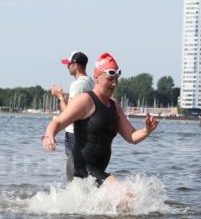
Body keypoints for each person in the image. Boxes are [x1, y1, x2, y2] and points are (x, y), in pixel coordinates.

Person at [42, 52, 158, 185]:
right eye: (110, 79)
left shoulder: (115, 106)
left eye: (116, 79)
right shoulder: (85, 100)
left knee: (119, 201)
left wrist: (147, 130)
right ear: (97, 77)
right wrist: (49, 135)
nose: (114, 83)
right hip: (80, 167)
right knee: (122, 192)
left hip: (97, 170)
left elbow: (131, 136)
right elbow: (58, 122)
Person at [49, 51, 94, 180]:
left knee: (72, 174)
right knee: (84, 172)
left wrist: (60, 97)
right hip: (86, 133)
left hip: (74, 133)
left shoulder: (77, 85)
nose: (67, 66)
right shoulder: (91, 81)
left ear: (77, 65)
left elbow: (69, 114)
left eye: (69, 64)